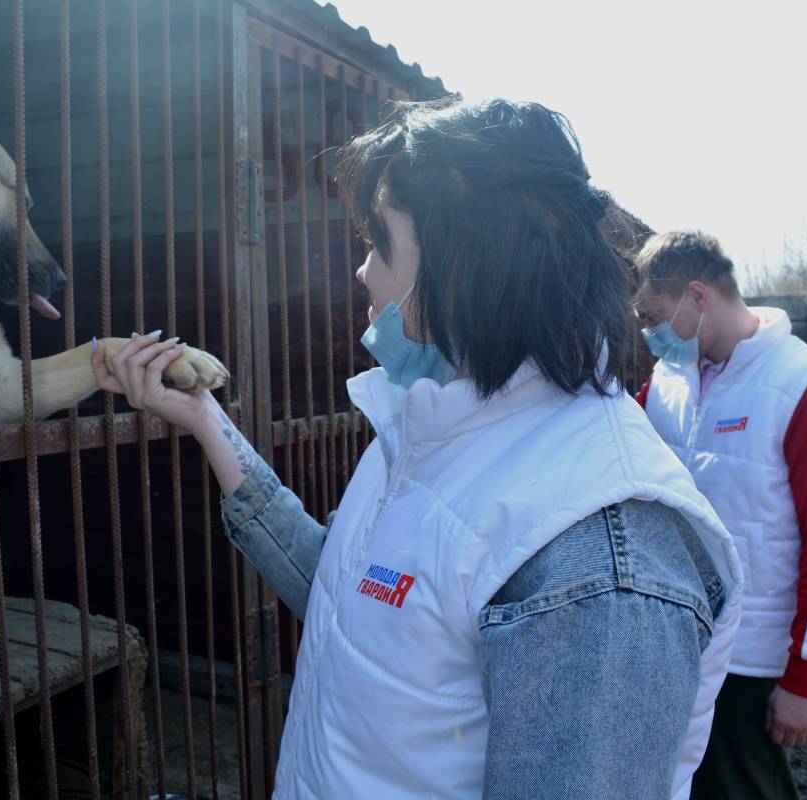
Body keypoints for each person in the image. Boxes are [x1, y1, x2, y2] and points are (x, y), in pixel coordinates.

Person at [94, 99, 743, 800]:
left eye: (379, 242)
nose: (362, 272)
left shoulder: (599, 545)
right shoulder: (434, 424)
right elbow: (357, 610)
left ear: (467, 261)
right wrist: (202, 417)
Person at [632, 231, 807, 800]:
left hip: (750, 659)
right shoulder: (665, 384)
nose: (650, 334)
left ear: (698, 298)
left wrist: (806, 678)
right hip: (676, 643)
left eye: (656, 316)